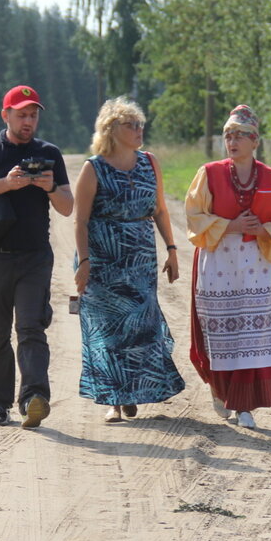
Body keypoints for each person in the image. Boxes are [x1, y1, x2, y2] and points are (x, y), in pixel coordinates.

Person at [0, 85, 74, 428]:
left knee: (31, 327)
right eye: (22, 114)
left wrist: (50, 187)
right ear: (5, 115)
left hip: (35, 257)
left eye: (34, 114)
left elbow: (68, 207)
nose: (29, 121)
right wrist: (5, 184)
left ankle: (34, 398)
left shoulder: (49, 152)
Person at [73, 97, 186, 422]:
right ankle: (115, 402)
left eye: (141, 125)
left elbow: (160, 210)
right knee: (109, 330)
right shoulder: (94, 167)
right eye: (131, 125)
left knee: (140, 328)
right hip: (102, 262)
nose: (139, 130)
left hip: (140, 261)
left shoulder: (149, 162)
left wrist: (172, 250)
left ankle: (131, 390)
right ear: (112, 129)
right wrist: (83, 262)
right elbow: (80, 220)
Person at [186, 105, 271, 430]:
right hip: (219, 261)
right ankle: (221, 390)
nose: (232, 141)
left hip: (258, 264)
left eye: (240, 135)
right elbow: (194, 216)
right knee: (221, 332)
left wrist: (265, 229)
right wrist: (231, 225)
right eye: (228, 135)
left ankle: (244, 406)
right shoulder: (209, 173)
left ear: (255, 140)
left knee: (254, 334)